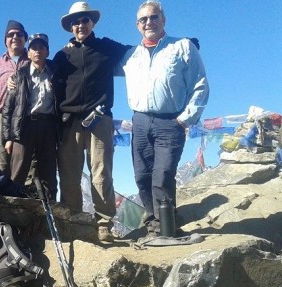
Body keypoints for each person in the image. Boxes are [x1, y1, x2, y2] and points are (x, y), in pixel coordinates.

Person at [118, 0, 209, 237]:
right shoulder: (130, 55)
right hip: (139, 121)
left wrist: (185, 119)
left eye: (154, 17)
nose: (149, 22)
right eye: (143, 19)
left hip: (170, 121)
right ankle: (152, 224)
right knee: (142, 175)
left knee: (163, 174)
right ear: (137, 25)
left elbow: (200, 84)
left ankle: (167, 229)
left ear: (163, 20)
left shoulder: (183, 47)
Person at [53, 2, 131, 242]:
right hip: (69, 122)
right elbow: (52, 86)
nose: (80, 25)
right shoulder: (62, 55)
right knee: (69, 176)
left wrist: (178, 46)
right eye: (75, 22)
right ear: (70, 27)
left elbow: (141, 53)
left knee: (101, 174)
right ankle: (74, 223)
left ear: (92, 22)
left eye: (85, 20)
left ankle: (103, 224)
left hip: (99, 120)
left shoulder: (107, 47)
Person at [1, 33, 58, 199]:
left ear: (47, 51)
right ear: (29, 52)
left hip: (49, 127)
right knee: (18, 171)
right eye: (34, 48)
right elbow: (7, 108)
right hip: (25, 126)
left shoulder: (56, 73)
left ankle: (48, 215)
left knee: (48, 173)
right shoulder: (19, 75)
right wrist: (8, 138)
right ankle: (12, 217)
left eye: (42, 47)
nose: (38, 51)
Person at [0, 20, 30, 176]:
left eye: (19, 34)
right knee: (2, 163)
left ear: (25, 39)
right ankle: (0, 199)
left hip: (26, 119)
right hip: (1, 118)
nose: (15, 37)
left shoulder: (32, 60)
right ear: (5, 41)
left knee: (24, 163)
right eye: (11, 35)